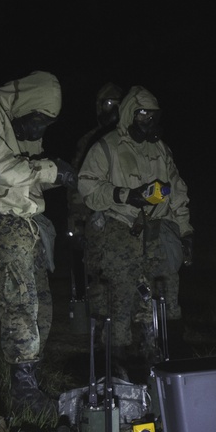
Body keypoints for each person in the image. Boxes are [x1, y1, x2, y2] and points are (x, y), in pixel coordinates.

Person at [0, 71, 79, 416]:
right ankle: (23, 392)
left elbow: (27, 174)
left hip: (27, 224)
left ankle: (30, 380)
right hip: (0, 222)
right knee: (19, 305)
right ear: (26, 103)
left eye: (45, 124)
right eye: (38, 120)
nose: (38, 131)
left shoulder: (15, 119)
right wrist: (53, 170)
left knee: (40, 304)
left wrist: (59, 176)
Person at [78, 85, 193, 370]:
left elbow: (177, 191)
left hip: (156, 232)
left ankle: (157, 362)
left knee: (158, 296)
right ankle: (115, 365)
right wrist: (123, 195)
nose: (149, 121)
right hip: (120, 230)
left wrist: (186, 231)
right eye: (142, 114)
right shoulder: (106, 147)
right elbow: (87, 186)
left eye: (153, 115)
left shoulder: (161, 150)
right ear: (129, 113)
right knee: (120, 297)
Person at [68, 83, 123, 317]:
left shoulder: (132, 141)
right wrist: (77, 225)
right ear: (99, 107)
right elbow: (77, 183)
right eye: (108, 104)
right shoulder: (89, 142)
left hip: (125, 219)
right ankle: (103, 335)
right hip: (97, 220)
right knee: (99, 279)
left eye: (118, 104)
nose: (113, 110)